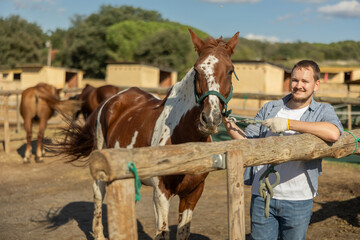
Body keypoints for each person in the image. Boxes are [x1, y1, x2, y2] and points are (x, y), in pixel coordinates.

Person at [223, 60, 343, 240]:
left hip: (298, 198)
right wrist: (227, 122)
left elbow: (333, 133)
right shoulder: (270, 108)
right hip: (262, 194)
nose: (299, 86)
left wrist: (288, 124)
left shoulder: (323, 110)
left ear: (316, 84)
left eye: (305, 81)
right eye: (295, 80)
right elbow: (248, 141)